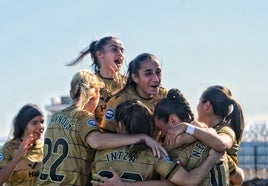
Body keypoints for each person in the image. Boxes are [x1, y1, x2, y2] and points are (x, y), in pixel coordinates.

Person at [36, 69, 166, 186]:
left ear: (71, 93)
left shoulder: (55, 117)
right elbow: (96, 141)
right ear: (97, 94)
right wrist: (140, 137)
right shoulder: (83, 116)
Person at [92, 99, 222, 186]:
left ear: (120, 126)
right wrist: (212, 158)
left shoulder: (99, 152)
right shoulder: (155, 153)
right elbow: (189, 180)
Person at [165, 85, 245, 185]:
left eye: (199, 101)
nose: (197, 106)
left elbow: (222, 144)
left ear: (207, 105)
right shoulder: (201, 130)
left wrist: (187, 127)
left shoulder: (225, 129)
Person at [154, 88, 229, 185]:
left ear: (172, 121)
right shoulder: (213, 138)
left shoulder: (174, 153)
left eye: (161, 130)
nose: (160, 136)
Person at [100, 53, 168, 140]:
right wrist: (139, 139)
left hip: (157, 151)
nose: (156, 79)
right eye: (148, 74)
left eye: (158, 73)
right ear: (135, 77)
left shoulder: (165, 96)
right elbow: (105, 137)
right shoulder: (119, 101)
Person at [66, 36, 126, 124]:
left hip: (126, 136)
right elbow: (81, 117)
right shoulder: (89, 83)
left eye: (122, 50)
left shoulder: (129, 83)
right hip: (97, 135)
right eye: (114, 49)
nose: (120, 53)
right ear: (100, 54)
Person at [0, 103, 45, 185]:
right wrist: (18, 157)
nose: (41, 126)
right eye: (34, 123)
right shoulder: (9, 148)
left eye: (42, 122)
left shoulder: (46, 148)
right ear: (24, 126)